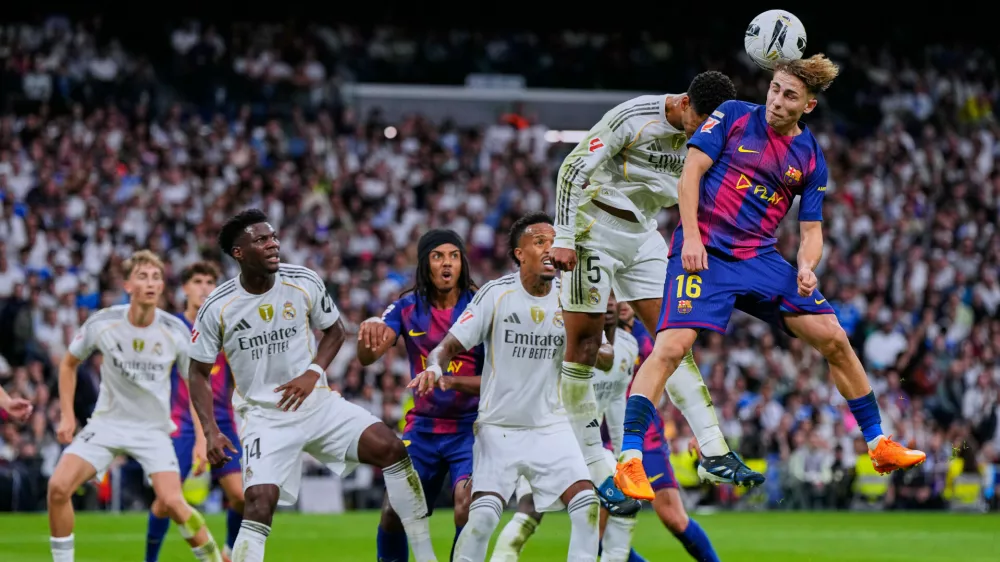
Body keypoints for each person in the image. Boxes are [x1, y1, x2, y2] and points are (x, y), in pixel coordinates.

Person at [616, 55, 926, 502]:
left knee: (833, 336)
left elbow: (811, 232)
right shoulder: (732, 115)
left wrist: (805, 266)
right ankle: (629, 459)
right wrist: (689, 238)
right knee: (671, 347)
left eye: (790, 96)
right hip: (704, 251)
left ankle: (879, 443)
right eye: (775, 89)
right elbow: (690, 176)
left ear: (809, 106)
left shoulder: (810, 157)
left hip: (760, 258)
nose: (777, 101)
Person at [550, 71, 761, 496]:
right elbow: (573, 167)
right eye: (698, 122)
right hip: (594, 228)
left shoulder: (715, 132)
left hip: (644, 235)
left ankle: (714, 450)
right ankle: (596, 466)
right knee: (586, 347)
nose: (703, 134)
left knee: (673, 339)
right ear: (684, 103)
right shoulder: (634, 117)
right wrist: (564, 236)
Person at [189, 209, 437, 562]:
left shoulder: (303, 280)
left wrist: (313, 372)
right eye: (261, 239)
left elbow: (335, 330)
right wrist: (211, 431)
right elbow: (197, 372)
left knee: (392, 449)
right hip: (265, 417)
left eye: (273, 236)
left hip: (318, 404)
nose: (273, 244)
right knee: (257, 504)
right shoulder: (218, 306)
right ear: (238, 252)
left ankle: (425, 555)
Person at [411, 212, 600, 562]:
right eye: (539, 242)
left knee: (588, 507)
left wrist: (599, 350)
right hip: (500, 428)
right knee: (481, 518)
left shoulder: (570, 297)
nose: (549, 249)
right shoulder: (496, 294)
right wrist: (435, 367)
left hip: (551, 425)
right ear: (519, 253)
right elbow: (447, 346)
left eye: (553, 241)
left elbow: (596, 352)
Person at [48, 251, 223, 562]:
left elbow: (197, 386)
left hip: (153, 431)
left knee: (172, 502)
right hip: (106, 425)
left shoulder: (175, 331)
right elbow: (68, 364)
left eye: (156, 277)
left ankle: (213, 558)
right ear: (127, 285)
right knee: (58, 488)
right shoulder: (103, 322)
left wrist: (202, 438)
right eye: (143, 277)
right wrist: (66, 416)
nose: (151, 283)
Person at [356, 229, 482, 562]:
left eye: (453, 256)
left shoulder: (482, 306)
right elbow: (368, 356)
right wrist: (368, 329)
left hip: (472, 429)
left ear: (462, 263)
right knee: (393, 512)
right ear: (425, 263)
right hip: (423, 429)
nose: (446, 263)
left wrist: (453, 382)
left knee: (467, 506)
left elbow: (501, 380)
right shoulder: (408, 307)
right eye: (437, 256)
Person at [146, 261, 244, 562]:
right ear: (185, 288)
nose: (204, 288)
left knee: (241, 497)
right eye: (198, 281)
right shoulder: (170, 327)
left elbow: (239, 376)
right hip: (183, 423)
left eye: (209, 282)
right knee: (165, 500)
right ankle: (150, 559)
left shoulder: (227, 329)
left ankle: (227, 553)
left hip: (222, 420)